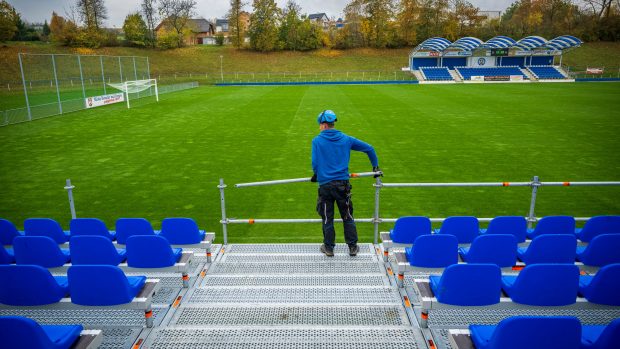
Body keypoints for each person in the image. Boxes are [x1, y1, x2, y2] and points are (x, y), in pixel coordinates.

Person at [311, 110, 381, 257]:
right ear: (332, 123)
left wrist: (317, 175)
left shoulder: (317, 141)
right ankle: (353, 247)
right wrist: (375, 167)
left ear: (324, 125)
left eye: (320, 124)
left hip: (325, 186)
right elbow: (369, 148)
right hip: (343, 185)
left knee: (327, 217)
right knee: (347, 216)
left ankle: (329, 248)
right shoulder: (346, 139)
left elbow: (315, 163)